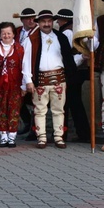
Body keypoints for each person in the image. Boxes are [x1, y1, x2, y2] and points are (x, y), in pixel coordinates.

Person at [23, 10, 77, 149]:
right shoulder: (31, 39)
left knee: (58, 110)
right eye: (43, 21)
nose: (46, 24)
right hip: (40, 78)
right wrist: (28, 79)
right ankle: (41, 137)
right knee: (40, 110)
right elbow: (26, 61)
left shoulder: (61, 37)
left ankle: (58, 137)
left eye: (49, 21)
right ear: (38, 23)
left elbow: (69, 59)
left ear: (52, 22)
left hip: (59, 79)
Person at [0, 22, 27, 147]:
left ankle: (12, 137)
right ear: (0, 34)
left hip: (15, 85)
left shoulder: (20, 49)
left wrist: (25, 85)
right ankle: (3, 136)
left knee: (14, 110)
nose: (6, 35)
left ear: (14, 34)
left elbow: (25, 67)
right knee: (0, 110)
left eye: (9, 33)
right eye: (3, 33)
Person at [54, 9, 91, 142]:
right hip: (75, 72)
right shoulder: (70, 30)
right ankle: (81, 133)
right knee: (73, 103)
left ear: (63, 20)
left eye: (58, 19)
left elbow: (69, 56)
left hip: (73, 73)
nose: (57, 22)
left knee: (72, 104)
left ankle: (79, 133)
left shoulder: (67, 32)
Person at [14, 7, 39, 138]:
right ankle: (27, 122)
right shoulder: (18, 31)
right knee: (19, 100)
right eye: (28, 18)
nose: (31, 21)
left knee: (35, 101)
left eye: (33, 18)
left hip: (33, 70)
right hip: (18, 70)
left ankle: (34, 129)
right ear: (22, 20)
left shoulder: (39, 33)